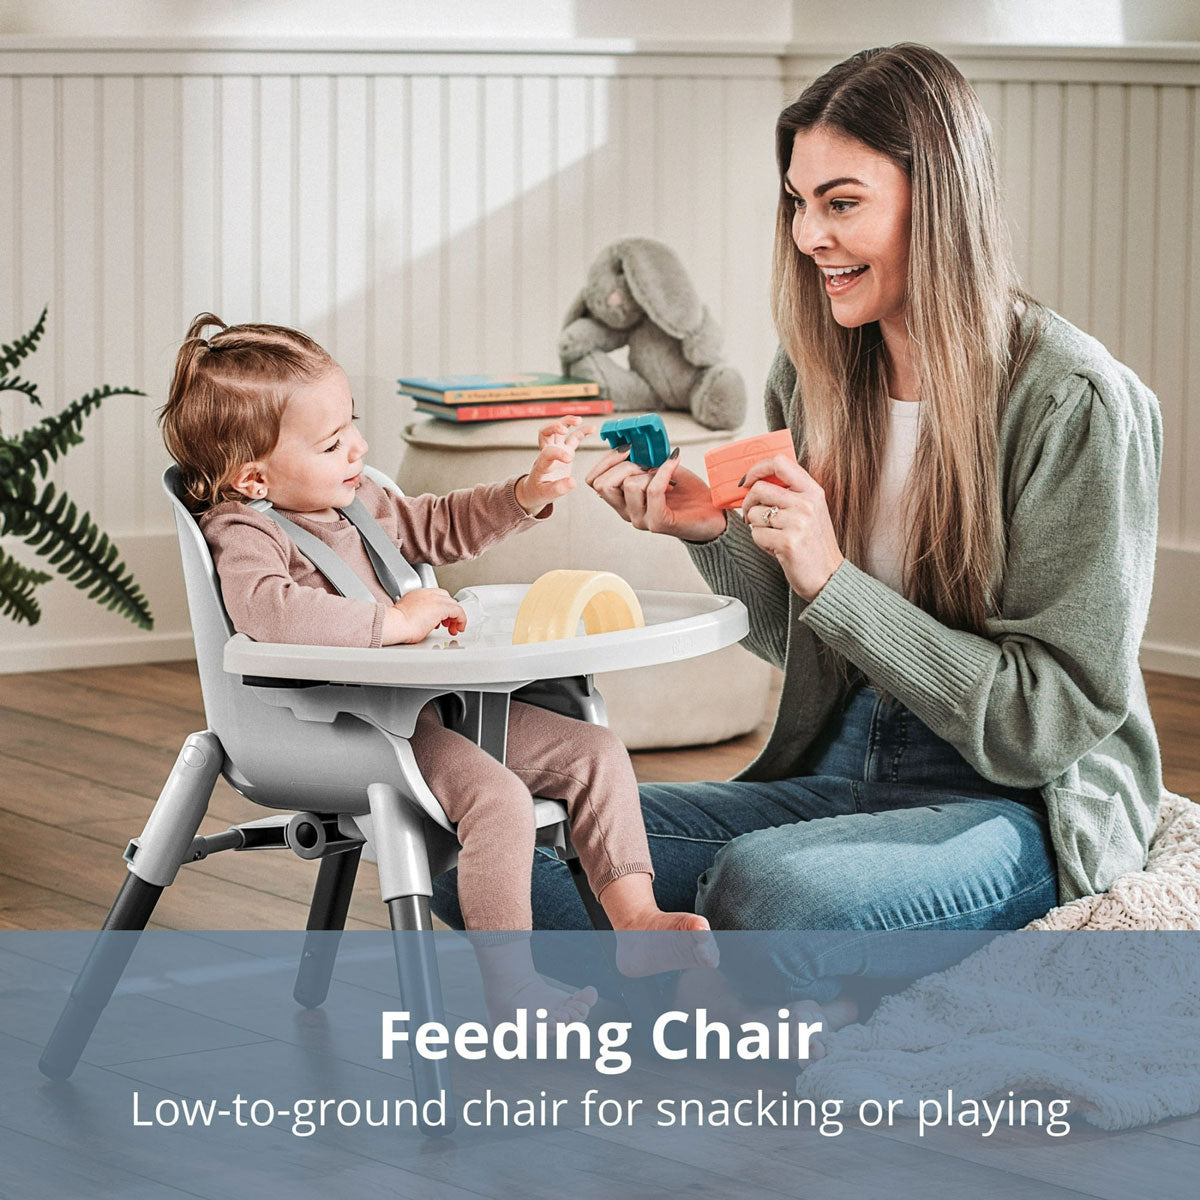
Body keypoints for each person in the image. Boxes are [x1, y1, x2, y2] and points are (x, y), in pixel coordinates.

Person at [476, 42, 1164, 1019]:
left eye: (841, 203)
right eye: (797, 203)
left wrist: (833, 575)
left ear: (940, 201)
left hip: (1016, 801)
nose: (808, 236)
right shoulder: (813, 378)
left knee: (770, 893)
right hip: (845, 763)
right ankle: (745, 986)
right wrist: (710, 536)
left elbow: (1044, 722)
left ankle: (722, 981)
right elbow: (801, 643)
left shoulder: (1074, 403)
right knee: (524, 846)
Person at [159, 313, 716, 1024]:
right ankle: (511, 989)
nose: (358, 447)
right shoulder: (244, 531)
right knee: (500, 802)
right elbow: (268, 612)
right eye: (332, 443)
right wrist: (392, 624)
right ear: (255, 478)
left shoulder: (359, 500)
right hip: (338, 727)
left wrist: (527, 493)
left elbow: (443, 523)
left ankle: (635, 921)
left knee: (595, 751)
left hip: (426, 708)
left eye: (352, 424)